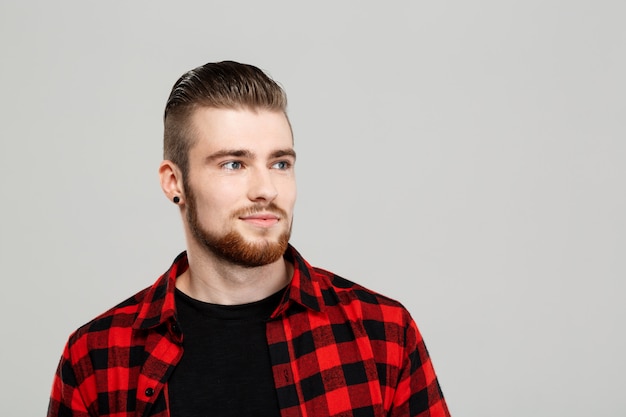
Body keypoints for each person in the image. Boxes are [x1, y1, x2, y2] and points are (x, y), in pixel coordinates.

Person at [48, 61, 451, 417]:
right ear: (175, 182)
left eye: (280, 163)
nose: (267, 189)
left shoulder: (384, 334)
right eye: (234, 164)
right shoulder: (96, 357)